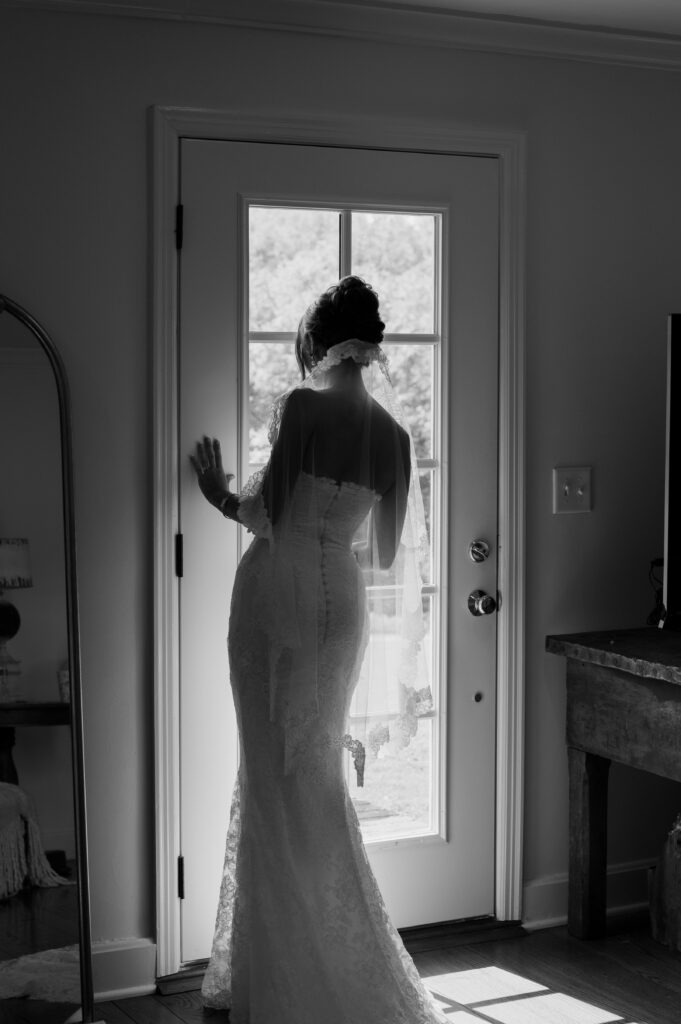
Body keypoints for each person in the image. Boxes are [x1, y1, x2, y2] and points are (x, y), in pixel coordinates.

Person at [191, 276, 445, 1023]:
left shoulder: (301, 407)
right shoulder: (395, 440)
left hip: (276, 594)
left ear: (319, 342)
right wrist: (335, 528)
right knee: (313, 773)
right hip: (343, 602)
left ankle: (282, 973)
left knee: (270, 773)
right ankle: (322, 953)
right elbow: (389, 547)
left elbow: (263, 512)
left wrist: (213, 491)